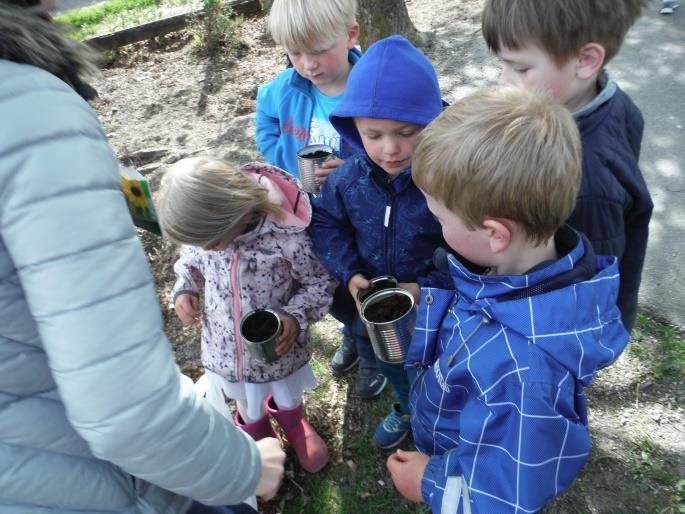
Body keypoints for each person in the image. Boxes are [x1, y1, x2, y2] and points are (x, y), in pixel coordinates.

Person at [0, 5, 284, 514]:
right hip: (109, 472)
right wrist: (184, 288)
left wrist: (291, 316)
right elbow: (125, 410)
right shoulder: (25, 111)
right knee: (243, 408)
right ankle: (255, 428)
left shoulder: (281, 240)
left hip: (44, 475)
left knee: (279, 397)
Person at [386, 86, 630, 513]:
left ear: (495, 234)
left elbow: (507, 495)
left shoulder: (526, 377)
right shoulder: (510, 273)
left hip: (458, 472)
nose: (434, 222)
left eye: (440, 216)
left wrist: (431, 484)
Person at [309, 36, 449, 449]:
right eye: (374, 135)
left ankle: (442, 421)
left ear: (433, 123)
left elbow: (476, 257)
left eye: (407, 132)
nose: (390, 149)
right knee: (393, 364)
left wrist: (427, 289)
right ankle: (406, 407)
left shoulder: (449, 184)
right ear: (352, 128)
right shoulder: (346, 179)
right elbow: (326, 225)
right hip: (379, 309)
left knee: (440, 371)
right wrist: (350, 274)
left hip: (437, 311)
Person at [481, 0, 654, 333]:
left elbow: (586, 282)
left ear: (585, 61)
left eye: (520, 69)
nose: (503, 81)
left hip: (570, 324)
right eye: (502, 65)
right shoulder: (614, 101)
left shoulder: (584, 182)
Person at [157, 158, 337, 474]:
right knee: (244, 400)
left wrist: (294, 317)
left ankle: (295, 426)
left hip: (277, 348)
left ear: (235, 212)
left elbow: (320, 282)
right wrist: (185, 288)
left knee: (286, 393)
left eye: (210, 241)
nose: (207, 249)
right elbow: (192, 260)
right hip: (225, 349)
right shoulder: (207, 237)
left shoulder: (287, 238)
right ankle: (260, 437)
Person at [255, 0, 361, 183]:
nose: (308, 65)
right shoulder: (286, 87)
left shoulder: (373, 90)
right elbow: (265, 112)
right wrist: (278, 156)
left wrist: (354, 171)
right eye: (295, 53)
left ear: (350, 36)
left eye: (320, 51)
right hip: (305, 203)